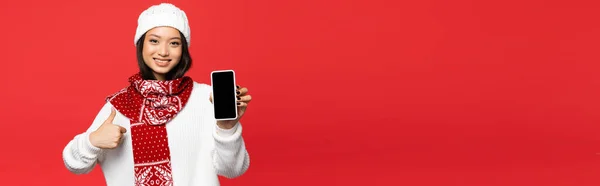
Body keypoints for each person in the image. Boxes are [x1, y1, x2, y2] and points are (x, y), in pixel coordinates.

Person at [62, 3, 251, 186]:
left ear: (183, 49)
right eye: (154, 41)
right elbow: (75, 165)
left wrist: (227, 127)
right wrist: (92, 141)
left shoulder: (207, 98)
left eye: (174, 43)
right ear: (141, 44)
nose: (163, 51)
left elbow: (232, 170)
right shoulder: (120, 106)